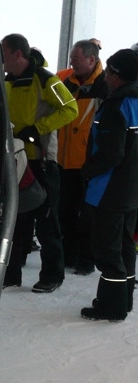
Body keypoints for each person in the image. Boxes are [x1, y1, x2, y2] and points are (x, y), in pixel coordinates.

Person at [1, 33, 78, 293]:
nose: (0, 57)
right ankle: (10, 272)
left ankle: (53, 274)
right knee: (14, 217)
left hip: (40, 159)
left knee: (47, 220)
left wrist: (37, 129)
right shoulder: (6, 80)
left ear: (17, 53)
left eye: (3, 52)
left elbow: (70, 108)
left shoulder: (45, 79)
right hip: (14, 158)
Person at [80, 49, 138, 322]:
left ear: (117, 75)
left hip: (109, 190)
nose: (105, 76)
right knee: (125, 245)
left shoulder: (116, 106)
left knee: (108, 250)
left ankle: (110, 307)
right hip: (132, 189)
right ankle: (124, 301)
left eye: (108, 72)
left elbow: (111, 153)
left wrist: (87, 170)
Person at [57, 40, 109, 276]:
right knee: (65, 211)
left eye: (76, 59)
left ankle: (87, 259)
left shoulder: (104, 86)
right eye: (71, 58)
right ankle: (69, 256)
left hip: (89, 162)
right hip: (65, 159)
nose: (72, 63)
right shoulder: (66, 82)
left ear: (91, 59)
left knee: (87, 214)